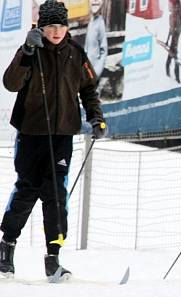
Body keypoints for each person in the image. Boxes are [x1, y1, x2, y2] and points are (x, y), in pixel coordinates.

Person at [0, 0, 107, 280]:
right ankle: (6, 249)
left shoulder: (75, 53)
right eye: (50, 27)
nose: (56, 31)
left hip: (62, 135)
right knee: (27, 190)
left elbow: (89, 90)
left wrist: (97, 118)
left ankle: (53, 259)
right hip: (31, 134)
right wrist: (26, 51)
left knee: (57, 196)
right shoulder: (31, 50)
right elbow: (10, 83)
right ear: (41, 27)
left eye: (61, 26)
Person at [85, 0, 108, 79]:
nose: (95, 1)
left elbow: (104, 51)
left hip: (94, 73)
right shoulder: (91, 21)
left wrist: (96, 73)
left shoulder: (100, 23)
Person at [166, 0, 181, 83]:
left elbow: (179, 28)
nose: (174, 8)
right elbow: (170, 29)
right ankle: (170, 74)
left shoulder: (180, 14)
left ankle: (176, 77)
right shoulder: (172, 16)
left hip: (177, 38)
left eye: (176, 6)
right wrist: (167, 40)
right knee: (172, 56)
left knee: (174, 57)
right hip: (174, 39)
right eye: (174, 7)